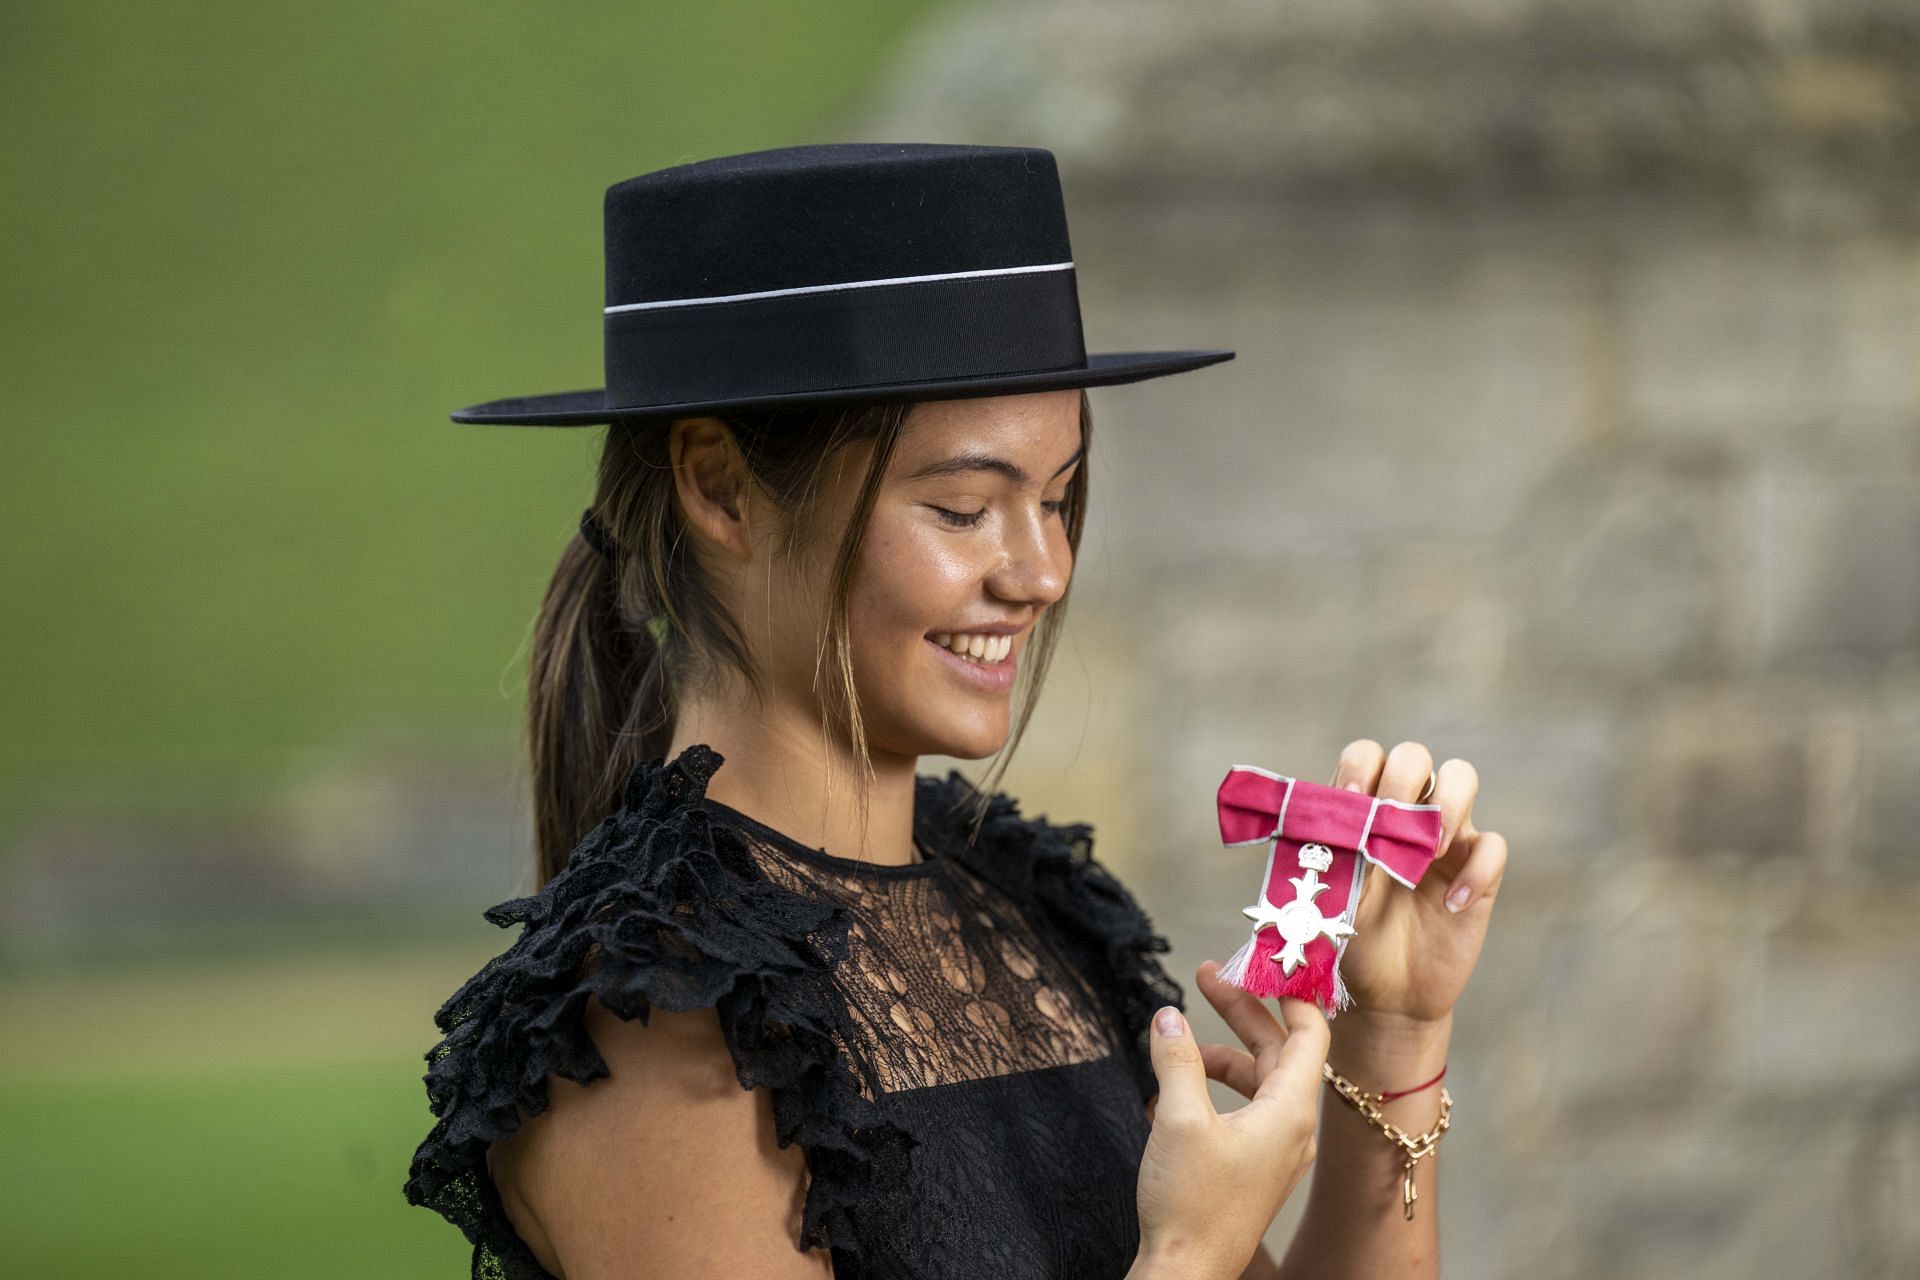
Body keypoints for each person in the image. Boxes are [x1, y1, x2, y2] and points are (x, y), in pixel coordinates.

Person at [403, 144, 1507, 1280]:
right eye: (965, 507)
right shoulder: (648, 1021)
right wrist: (1185, 1255)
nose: (1042, 571)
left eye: (1060, 498)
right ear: (720, 486)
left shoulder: (1032, 910)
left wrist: (1397, 1034)